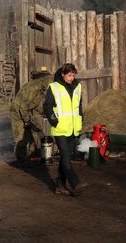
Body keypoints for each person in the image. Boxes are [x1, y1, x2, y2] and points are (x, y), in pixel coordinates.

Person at [43, 62, 88, 196]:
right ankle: (75, 183)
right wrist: (54, 121)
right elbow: (47, 107)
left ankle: (60, 186)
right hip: (60, 128)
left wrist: (80, 118)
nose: (72, 78)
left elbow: (78, 106)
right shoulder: (54, 87)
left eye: (73, 75)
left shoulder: (77, 86)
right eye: (69, 75)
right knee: (66, 157)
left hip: (73, 128)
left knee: (65, 157)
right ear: (63, 75)